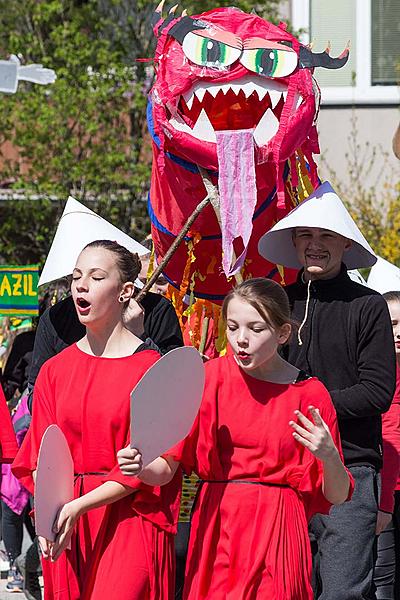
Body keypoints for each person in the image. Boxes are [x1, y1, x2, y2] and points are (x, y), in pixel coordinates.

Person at [118, 278, 353, 599]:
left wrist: (329, 456)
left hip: (279, 530)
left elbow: (337, 495)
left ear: (283, 333)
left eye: (255, 329)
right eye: (232, 327)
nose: (241, 340)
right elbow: (166, 467)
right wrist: (139, 463)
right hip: (218, 527)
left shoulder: (310, 393)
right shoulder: (208, 379)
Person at [12, 240, 182, 600]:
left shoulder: (152, 369)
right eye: (76, 277)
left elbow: (165, 467)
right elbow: (41, 455)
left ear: (125, 291)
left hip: (129, 519)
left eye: (95, 276)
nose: (81, 285)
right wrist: (46, 516)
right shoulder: (53, 372)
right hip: (65, 521)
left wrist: (81, 504)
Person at [258, 181, 396, 600]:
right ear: (295, 242)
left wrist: (306, 404)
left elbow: (376, 392)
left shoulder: (368, 305)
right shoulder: (277, 302)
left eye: (326, 236)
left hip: (350, 467)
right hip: (281, 470)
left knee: (341, 593)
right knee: (285, 589)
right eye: (306, 236)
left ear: (345, 244)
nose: (315, 245)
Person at [374, 291, 400, 600]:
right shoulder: (372, 373)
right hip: (383, 490)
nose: (398, 332)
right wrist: (383, 501)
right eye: (391, 323)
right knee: (382, 579)